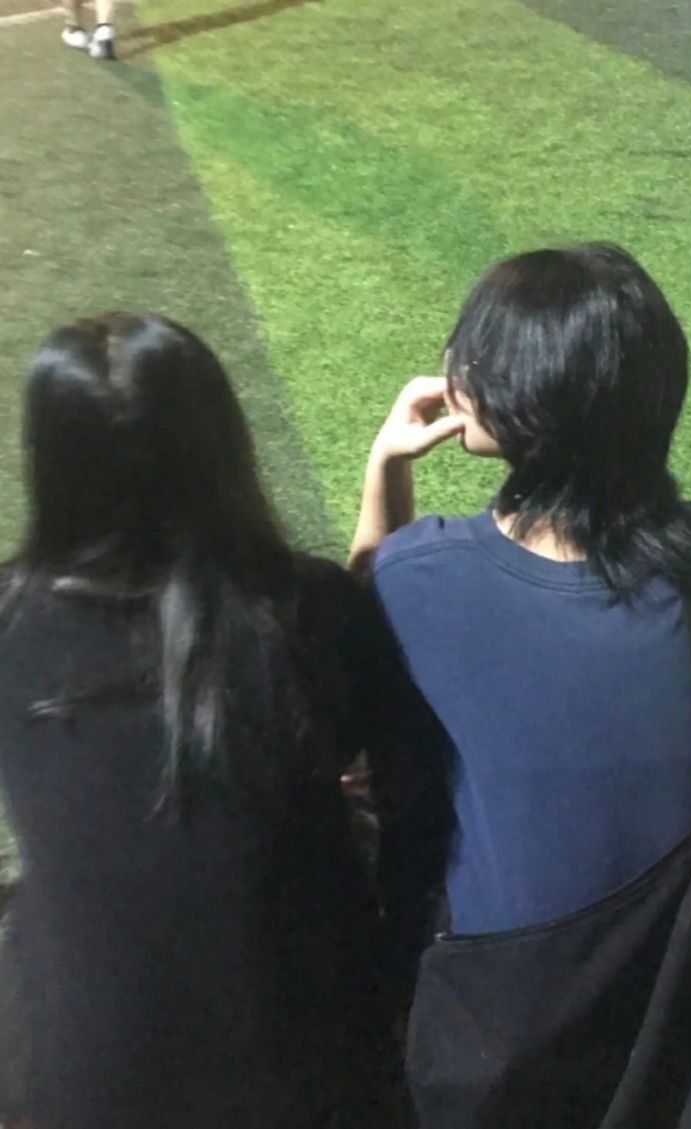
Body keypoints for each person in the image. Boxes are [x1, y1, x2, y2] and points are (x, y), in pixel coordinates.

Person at [0, 314, 433, 1129]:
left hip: (78, 1078)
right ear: (220, 448)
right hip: (314, 1074)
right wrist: (384, 475)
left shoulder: (10, 622)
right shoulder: (304, 614)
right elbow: (380, 740)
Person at [351, 243, 691, 1128]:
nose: (458, 369)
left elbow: (357, 649)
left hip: (500, 1017)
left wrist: (386, 471)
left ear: (532, 409)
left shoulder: (425, 575)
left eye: (481, 359)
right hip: (679, 1002)